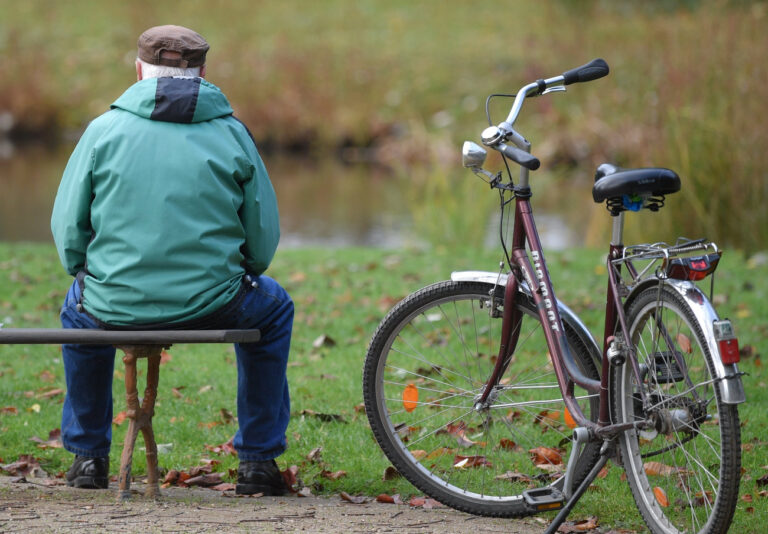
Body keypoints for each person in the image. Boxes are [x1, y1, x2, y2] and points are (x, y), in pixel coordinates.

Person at [50, 25, 293, 496]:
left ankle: (87, 457)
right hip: (215, 302)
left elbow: (68, 232)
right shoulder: (233, 133)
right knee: (275, 306)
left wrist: (85, 272)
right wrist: (241, 272)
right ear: (203, 73)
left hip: (112, 300)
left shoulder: (103, 130)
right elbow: (262, 241)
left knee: (77, 309)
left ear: (139, 70)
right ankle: (258, 463)